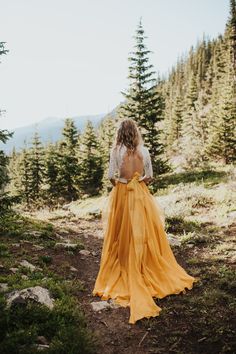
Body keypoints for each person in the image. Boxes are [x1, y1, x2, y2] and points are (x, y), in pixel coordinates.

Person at [92, 118, 197, 324]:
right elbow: (149, 176)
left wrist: (120, 183)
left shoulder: (116, 151)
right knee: (145, 231)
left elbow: (110, 176)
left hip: (122, 193)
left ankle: (126, 261)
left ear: (120, 133)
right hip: (140, 194)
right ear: (135, 132)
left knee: (122, 231)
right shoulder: (144, 150)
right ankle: (145, 262)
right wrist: (138, 181)